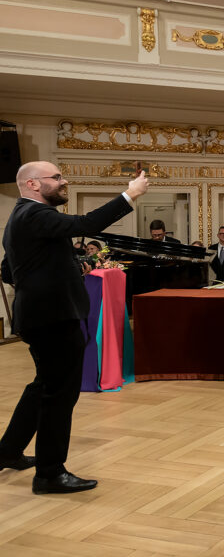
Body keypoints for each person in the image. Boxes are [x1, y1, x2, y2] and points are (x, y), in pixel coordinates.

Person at [0, 162, 149, 493]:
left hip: (41, 316)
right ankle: (49, 474)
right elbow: (87, 224)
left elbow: (9, 270)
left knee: (44, 385)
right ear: (33, 184)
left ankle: (7, 451)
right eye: (56, 177)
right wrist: (130, 194)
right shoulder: (34, 214)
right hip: (52, 318)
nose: (63, 180)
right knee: (60, 394)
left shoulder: (21, 217)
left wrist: (66, 269)